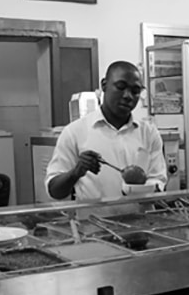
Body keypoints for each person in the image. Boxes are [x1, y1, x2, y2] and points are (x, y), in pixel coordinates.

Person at [46, 61, 167, 201]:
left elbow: (158, 181)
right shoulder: (75, 132)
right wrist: (75, 173)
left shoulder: (149, 133)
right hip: (93, 221)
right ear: (104, 85)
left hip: (142, 220)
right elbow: (54, 191)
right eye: (121, 87)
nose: (128, 96)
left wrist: (146, 189)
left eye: (135, 91)